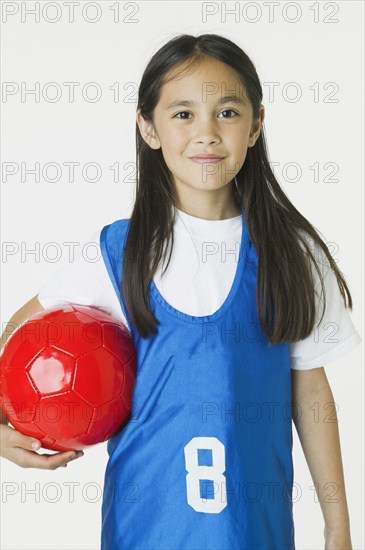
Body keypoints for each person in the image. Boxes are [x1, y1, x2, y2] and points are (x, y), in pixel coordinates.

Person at [0, 33, 361, 549]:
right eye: (183, 114)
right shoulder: (119, 251)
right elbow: (18, 337)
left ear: (257, 123)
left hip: (254, 533)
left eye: (228, 112)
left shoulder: (291, 252)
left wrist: (339, 530)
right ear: (148, 127)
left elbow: (311, 393)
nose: (207, 133)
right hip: (143, 532)